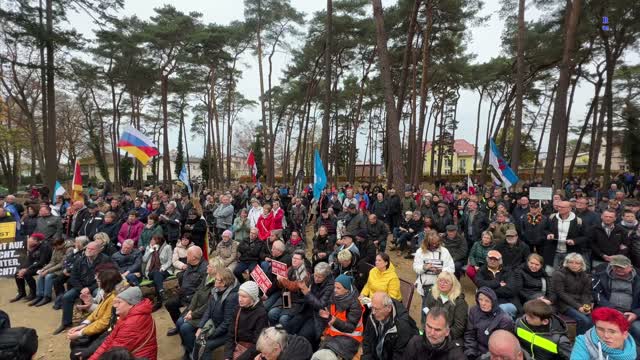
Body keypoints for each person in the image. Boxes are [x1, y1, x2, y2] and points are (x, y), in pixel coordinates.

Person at [54, 240, 112, 335]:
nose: (88, 250)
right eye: (87, 248)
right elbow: (73, 277)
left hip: (97, 286)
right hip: (80, 287)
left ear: (98, 251)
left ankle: (97, 322)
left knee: (98, 294)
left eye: (92, 249)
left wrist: (90, 288)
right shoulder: (80, 260)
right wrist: (81, 289)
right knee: (67, 297)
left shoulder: (105, 260)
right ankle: (66, 323)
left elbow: (105, 278)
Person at [88, 287, 157, 360]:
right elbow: (110, 339)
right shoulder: (128, 315)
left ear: (131, 304)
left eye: (119, 302)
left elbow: (113, 352)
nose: (115, 306)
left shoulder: (132, 323)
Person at [68, 268, 122, 359]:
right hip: (102, 330)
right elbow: (97, 311)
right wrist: (82, 325)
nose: (97, 282)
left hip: (106, 332)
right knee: (75, 342)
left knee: (76, 348)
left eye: (98, 280)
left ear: (106, 282)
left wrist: (81, 332)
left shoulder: (113, 297)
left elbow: (104, 323)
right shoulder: (106, 293)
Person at [312, 274, 364, 360]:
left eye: (338, 288)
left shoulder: (355, 305)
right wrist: (325, 316)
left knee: (327, 354)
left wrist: (334, 321)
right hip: (333, 334)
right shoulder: (334, 297)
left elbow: (350, 327)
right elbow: (330, 314)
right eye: (335, 287)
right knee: (319, 354)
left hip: (350, 338)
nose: (335, 290)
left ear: (347, 290)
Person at [192, 267, 239, 359]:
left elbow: (227, 323)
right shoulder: (215, 291)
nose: (214, 280)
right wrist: (200, 327)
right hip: (215, 325)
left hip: (226, 332)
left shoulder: (231, 298)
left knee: (206, 345)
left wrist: (211, 335)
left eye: (216, 279)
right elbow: (208, 311)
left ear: (223, 283)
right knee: (198, 339)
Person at [592, 255, 640, 343]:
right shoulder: (601, 276)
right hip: (607, 311)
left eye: (622, 267)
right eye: (615, 267)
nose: (618, 269)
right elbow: (596, 293)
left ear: (630, 267)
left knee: (638, 330)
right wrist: (611, 308)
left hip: (631, 315)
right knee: (602, 333)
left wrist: (636, 314)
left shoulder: (638, 279)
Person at [414, 230, 455, 326]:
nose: (434, 246)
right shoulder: (420, 251)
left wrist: (441, 271)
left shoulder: (444, 251)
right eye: (431, 244)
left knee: (440, 309)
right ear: (426, 242)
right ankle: (424, 330)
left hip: (441, 286)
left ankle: (438, 328)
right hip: (425, 285)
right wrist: (424, 267)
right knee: (425, 308)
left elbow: (451, 268)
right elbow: (416, 267)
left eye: (436, 244)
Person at [362, 292, 419, 360]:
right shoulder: (374, 314)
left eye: (376, 309)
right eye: (372, 308)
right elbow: (367, 340)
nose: (373, 312)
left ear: (389, 308)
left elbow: (399, 356)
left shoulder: (402, 326)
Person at [289, 262, 335, 348]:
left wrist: (307, 292)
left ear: (326, 277)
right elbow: (301, 295)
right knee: (292, 325)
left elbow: (321, 305)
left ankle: (304, 351)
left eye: (319, 277)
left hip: (318, 316)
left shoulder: (330, 286)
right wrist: (301, 287)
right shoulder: (313, 276)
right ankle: (290, 348)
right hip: (307, 308)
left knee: (303, 335)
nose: (316, 278)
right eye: (316, 275)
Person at [464, 287, 514, 360]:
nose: (483, 303)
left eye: (487, 301)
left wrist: (483, 357)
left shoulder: (504, 320)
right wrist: (471, 352)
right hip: (475, 348)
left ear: (493, 302)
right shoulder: (474, 310)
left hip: (491, 353)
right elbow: (470, 334)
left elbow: (501, 346)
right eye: (480, 300)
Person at [223, 281, 269, 360]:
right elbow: (231, 335)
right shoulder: (238, 309)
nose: (240, 299)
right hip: (237, 348)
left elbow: (257, 344)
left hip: (251, 353)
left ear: (252, 298)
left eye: (244, 296)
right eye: (239, 296)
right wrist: (228, 356)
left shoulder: (261, 314)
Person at [570, 307, 638, 360]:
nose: (606, 336)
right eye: (600, 329)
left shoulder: (634, 352)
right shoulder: (583, 342)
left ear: (625, 335)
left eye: (612, 331)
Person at [550, 252, 593, 335]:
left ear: (581, 265)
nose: (574, 265)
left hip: (579, 304)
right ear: (566, 263)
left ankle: (587, 341)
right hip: (563, 304)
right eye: (571, 262)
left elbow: (585, 294)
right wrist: (578, 307)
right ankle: (578, 342)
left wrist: (586, 306)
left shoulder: (585, 276)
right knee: (583, 320)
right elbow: (560, 293)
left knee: (592, 319)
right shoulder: (559, 274)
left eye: (577, 263)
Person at [165, 246, 207, 331]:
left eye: (188, 255)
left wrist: (188, 296)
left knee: (182, 319)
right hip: (184, 295)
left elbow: (201, 291)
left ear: (194, 258)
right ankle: (178, 327)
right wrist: (180, 290)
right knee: (170, 303)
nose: (185, 257)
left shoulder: (205, 269)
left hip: (194, 299)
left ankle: (185, 328)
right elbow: (186, 280)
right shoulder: (190, 265)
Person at [476, 250, 521, 319]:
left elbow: (511, 290)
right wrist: (498, 284)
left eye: (495, 259)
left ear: (500, 261)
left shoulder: (508, 271)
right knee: (504, 317)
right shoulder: (481, 271)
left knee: (502, 310)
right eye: (490, 259)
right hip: (490, 302)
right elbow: (480, 284)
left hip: (509, 301)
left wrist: (490, 290)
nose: (492, 261)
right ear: (487, 259)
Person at [423, 271, 468, 340]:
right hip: (430, 333)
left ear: (453, 285)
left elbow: (459, 327)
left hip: (448, 338)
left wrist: (444, 337)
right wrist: (427, 331)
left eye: (446, 282)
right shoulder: (432, 293)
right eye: (440, 281)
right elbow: (425, 312)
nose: (442, 284)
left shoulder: (460, 302)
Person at [544, 200, 586, 271]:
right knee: (550, 272)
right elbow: (545, 229)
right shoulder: (552, 217)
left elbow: (585, 236)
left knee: (568, 273)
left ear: (570, 209)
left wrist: (574, 241)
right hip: (553, 252)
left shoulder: (578, 221)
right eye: (558, 207)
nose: (559, 208)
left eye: (562, 207)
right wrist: (548, 234)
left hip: (570, 252)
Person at [31, 236, 73, 306]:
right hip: (55, 268)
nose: (54, 248)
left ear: (61, 244)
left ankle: (47, 296)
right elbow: (52, 262)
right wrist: (44, 269)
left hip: (64, 269)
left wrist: (48, 271)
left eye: (56, 247)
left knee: (48, 276)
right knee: (41, 275)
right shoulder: (56, 248)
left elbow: (62, 264)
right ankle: (40, 295)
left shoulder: (69, 249)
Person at [11, 232, 52, 303]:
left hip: (44, 267)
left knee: (27, 273)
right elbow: (29, 261)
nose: (28, 242)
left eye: (30, 241)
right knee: (17, 273)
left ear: (36, 241)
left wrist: (26, 269)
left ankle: (33, 293)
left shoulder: (45, 247)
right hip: (34, 266)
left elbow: (41, 262)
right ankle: (22, 293)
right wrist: (22, 269)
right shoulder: (33, 247)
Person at [141, 235, 174, 312]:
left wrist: (163, 268)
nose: (151, 241)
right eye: (151, 240)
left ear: (159, 241)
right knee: (157, 274)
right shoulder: (149, 248)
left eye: (154, 240)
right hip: (151, 271)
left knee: (157, 276)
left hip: (164, 269)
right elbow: (144, 260)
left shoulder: (167, 247)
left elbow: (169, 260)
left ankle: (159, 301)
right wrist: (150, 251)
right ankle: (161, 292)